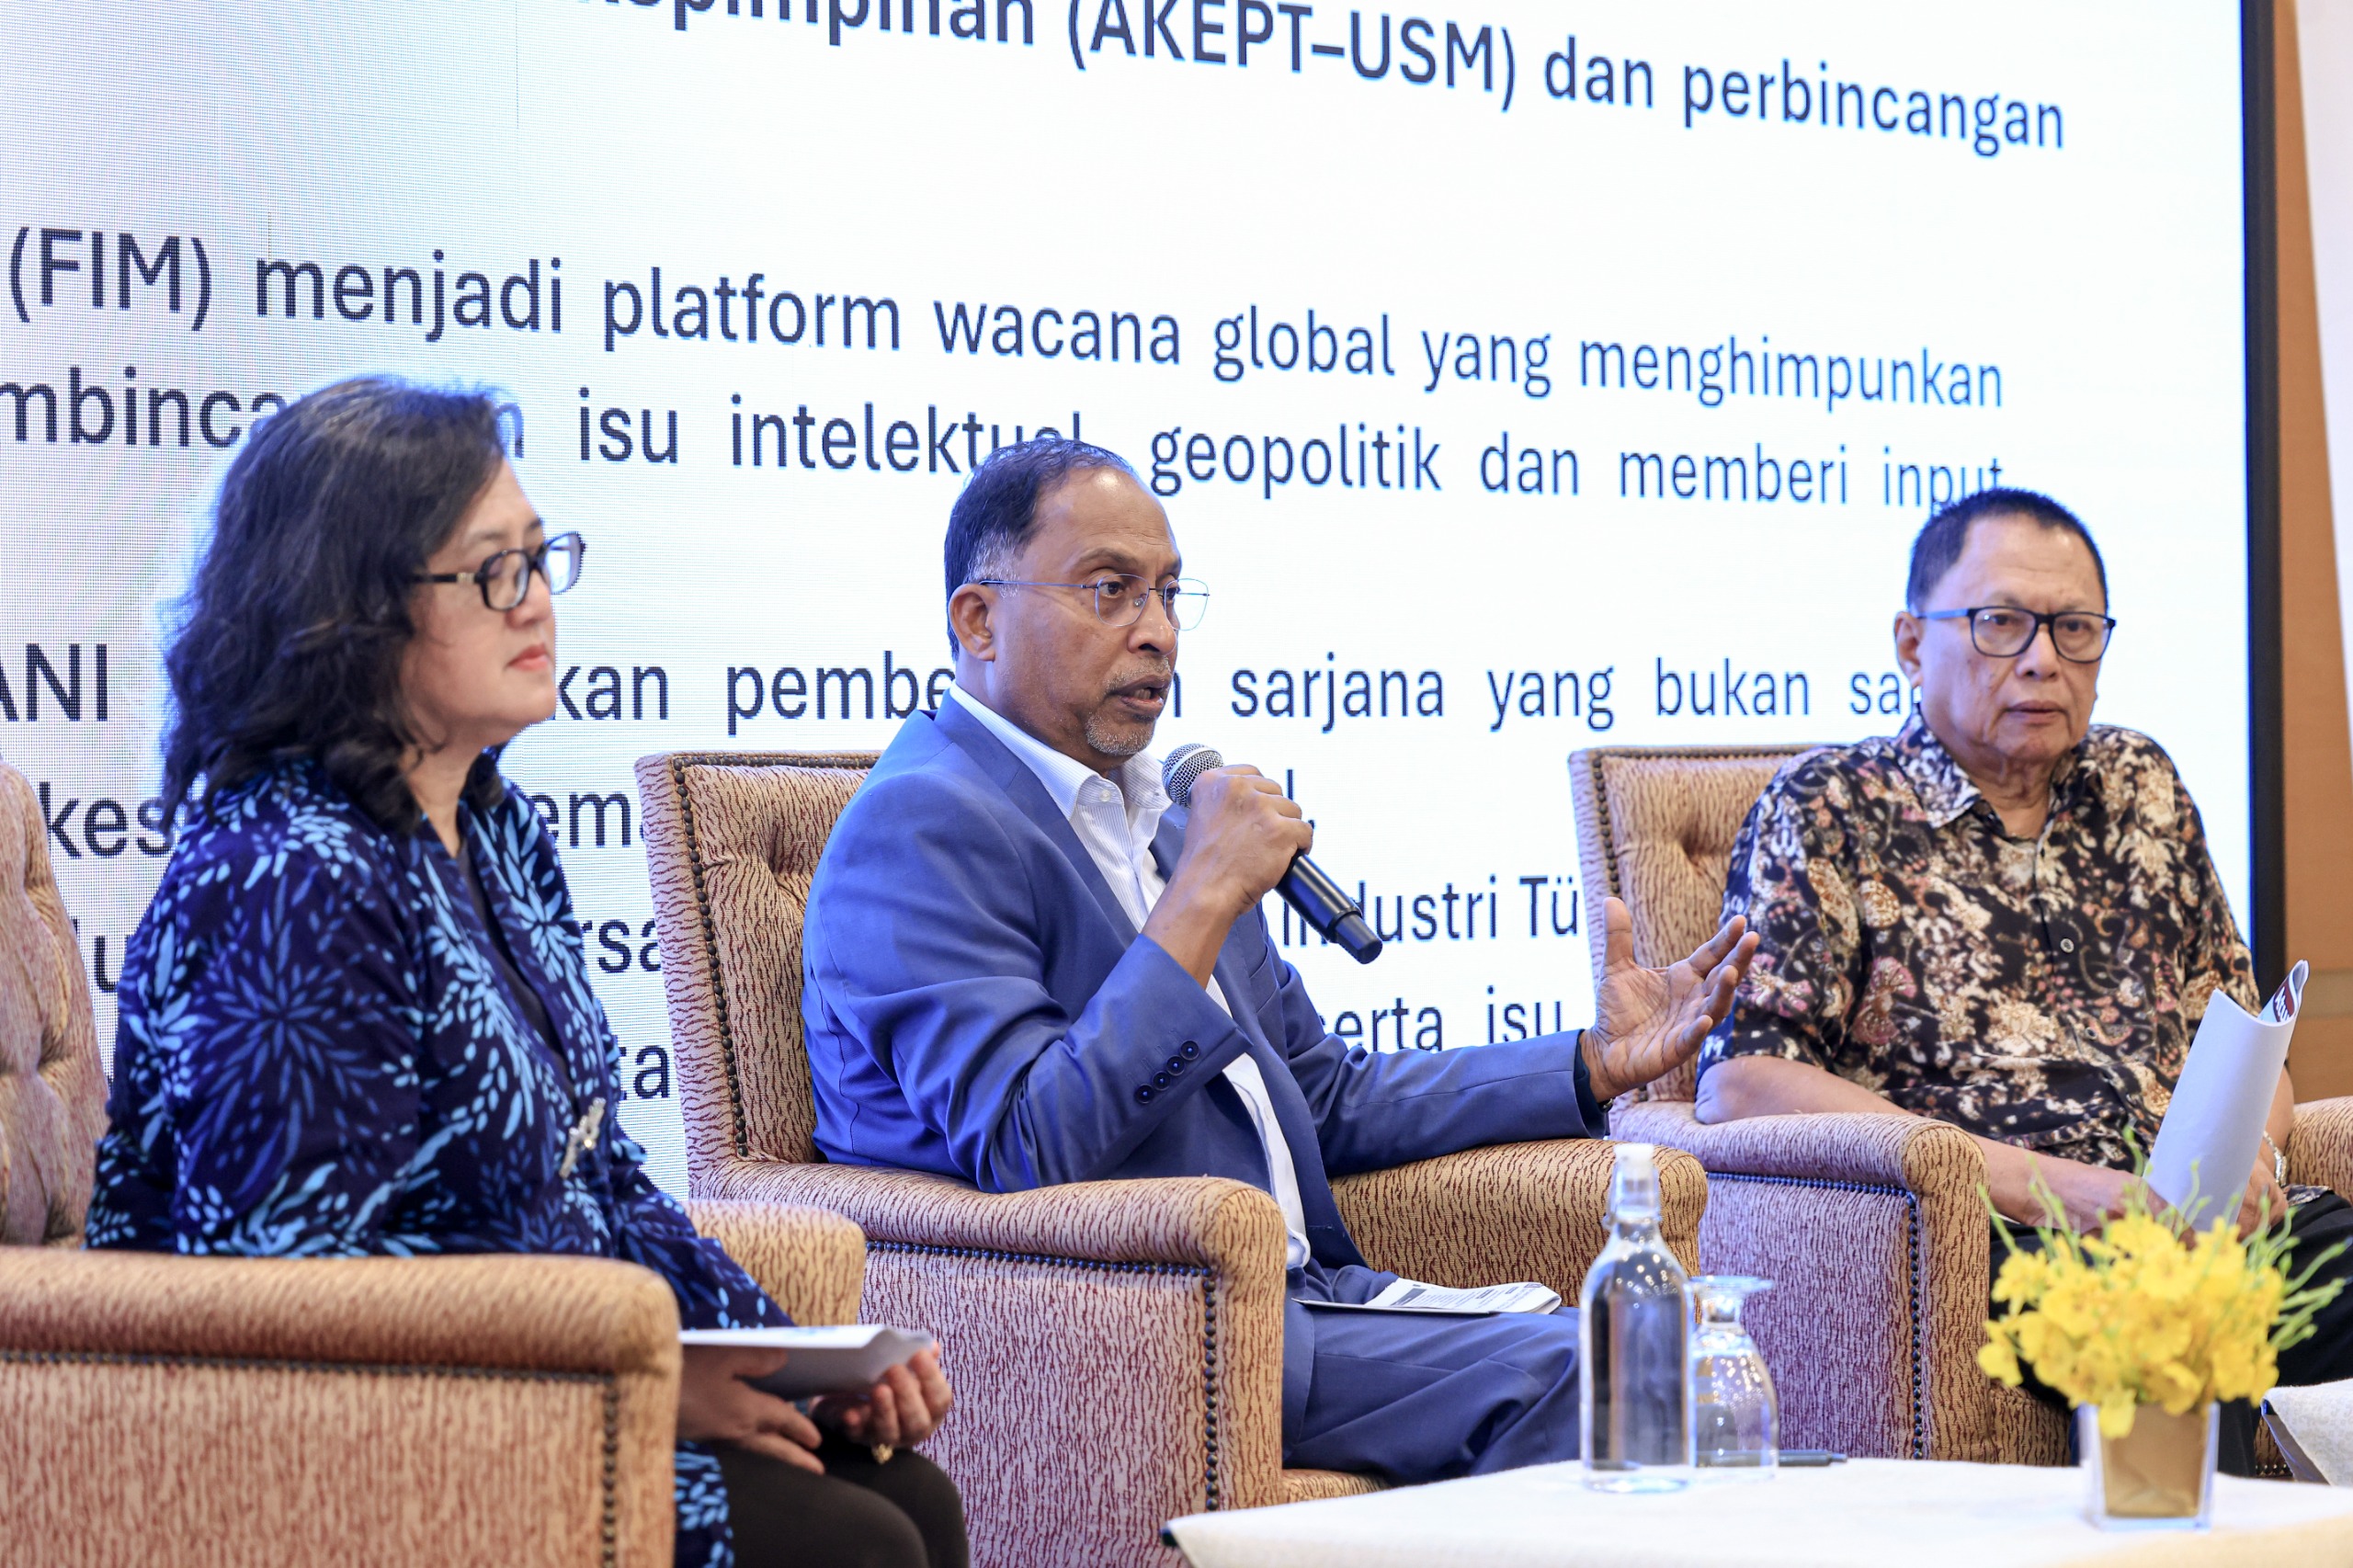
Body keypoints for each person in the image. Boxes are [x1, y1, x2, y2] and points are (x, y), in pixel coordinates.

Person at [86, 377, 966, 1568]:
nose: (538, 599)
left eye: (542, 559)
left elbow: (599, 1177)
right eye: (493, 570)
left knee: (907, 1490)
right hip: (358, 1434)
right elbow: (295, 1288)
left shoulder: (497, 831)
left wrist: (790, 1360)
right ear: (351, 606)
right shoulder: (285, 876)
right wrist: (629, 1380)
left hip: (542, 1382)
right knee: (850, 1542)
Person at [799, 437, 1757, 1483]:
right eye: (1111, 590)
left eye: (1168, 594)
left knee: (1671, 1351)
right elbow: (1028, 1144)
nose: (1158, 633)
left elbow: (1320, 1093)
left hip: (1298, 1306)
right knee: (1601, 1374)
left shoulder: (1166, 823)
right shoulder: (921, 825)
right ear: (977, 619)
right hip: (1142, 1332)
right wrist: (1203, 896)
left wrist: (1587, 1063)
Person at [1695, 485, 2353, 1471]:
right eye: (2001, 623)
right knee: (2157, 1314)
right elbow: (1743, 1079)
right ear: (1911, 644)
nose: (2044, 658)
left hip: (2194, 1227)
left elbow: (2244, 1041)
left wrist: (2238, 1171)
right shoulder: (1828, 806)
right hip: (1996, 1234)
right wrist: (2072, 1194)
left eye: (2074, 628)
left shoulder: (2142, 786)